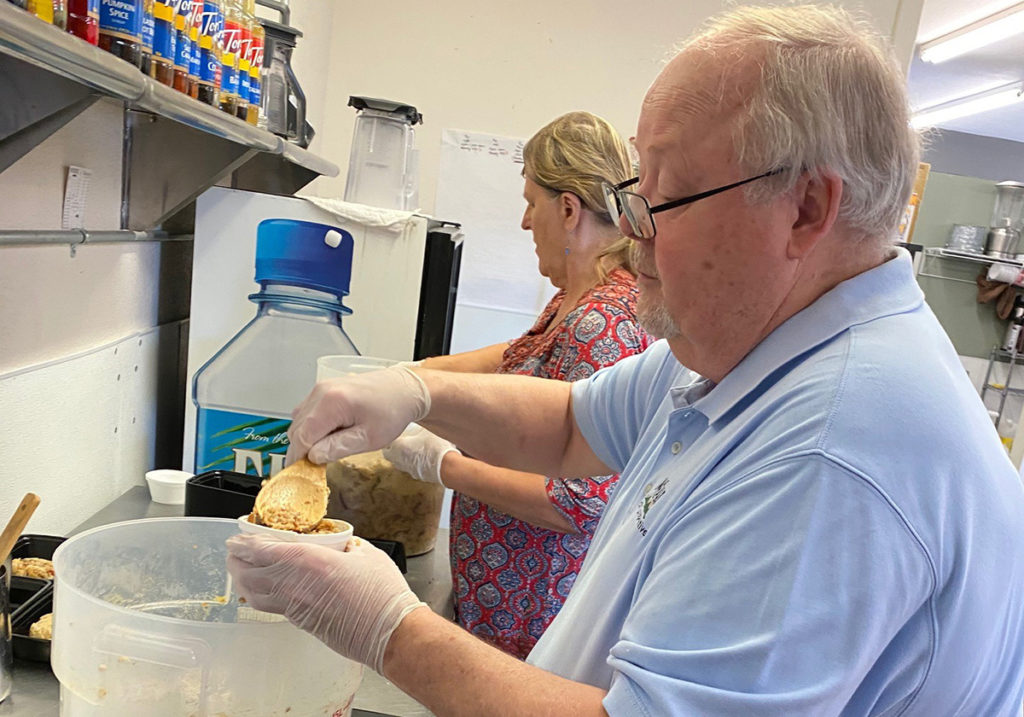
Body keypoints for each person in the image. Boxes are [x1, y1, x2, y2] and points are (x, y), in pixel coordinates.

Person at [226, 5, 1024, 715]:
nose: (632, 230)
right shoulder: (749, 342)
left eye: (663, 199)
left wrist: (385, 626)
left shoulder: (836, 450)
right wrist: (416, 393)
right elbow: (574, 423)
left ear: (806, 208)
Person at [381, 110, 653, 659]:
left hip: (533, 622)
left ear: (569, 209)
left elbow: (579, 503)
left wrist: (442, 465)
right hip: (499, 611)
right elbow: (512, 358)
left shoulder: (604, 322)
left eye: (532, 203)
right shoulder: (570, 302)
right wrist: (404, 379)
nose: (527, 222)